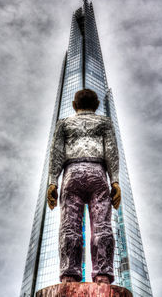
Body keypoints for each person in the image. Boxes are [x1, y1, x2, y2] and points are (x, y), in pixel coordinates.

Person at [47, 88, 121, 285]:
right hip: (98, 173)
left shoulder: (64, 124)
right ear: (96, 105)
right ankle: (103, 275)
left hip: (72, 173)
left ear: (74, 105)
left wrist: (53, 182)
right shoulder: (104, 122)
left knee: (69, 227)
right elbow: (111, 151)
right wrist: (115, 181)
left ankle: (69, 275)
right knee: (102, 226)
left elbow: (56, 154)